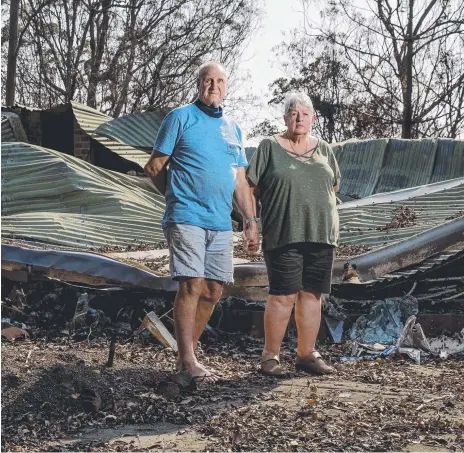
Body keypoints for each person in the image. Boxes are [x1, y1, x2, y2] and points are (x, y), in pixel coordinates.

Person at [144, 61, 259, 381]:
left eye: (220, 82)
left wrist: (250, 220)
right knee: (191, 282)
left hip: (221, 221)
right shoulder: (179, 117)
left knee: (213, 289)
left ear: (226, 87)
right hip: (186, 216)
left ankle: (187, 360)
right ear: (198, 84)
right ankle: (187, 360)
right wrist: (174, 195)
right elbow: (154, 167)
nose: (214, 87)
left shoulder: (234, 129)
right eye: (208, 81)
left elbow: (240, 181)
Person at [246, 92, 340, 376]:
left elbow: (333, 187)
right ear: (285, 117)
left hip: (322, 233)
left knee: (312, 295)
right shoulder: (269, 147)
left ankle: (306, 354)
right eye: (293, 112)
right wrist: (251, 223)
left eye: (304, 113)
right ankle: (269, 357)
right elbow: (250, 188)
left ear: (313, 118)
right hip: (284, 232)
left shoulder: (324, 148)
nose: (299, 118)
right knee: (283, 295)